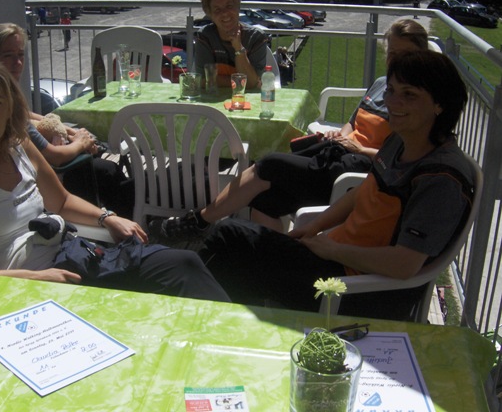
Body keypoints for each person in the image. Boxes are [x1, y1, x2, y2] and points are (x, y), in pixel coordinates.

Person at [0, 55, 230, 303]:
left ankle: (236, 341)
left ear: (9, 108)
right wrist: (34, 278)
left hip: (71, 256)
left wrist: (107, 217)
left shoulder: (18, 146)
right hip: (22, 290)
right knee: (162, 295)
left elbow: (60, 201)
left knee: (184, 265)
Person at [199, 50, 473, 320]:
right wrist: (313, 228)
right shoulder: (400, 141)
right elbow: (361, 194)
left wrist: (333, 250)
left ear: (440, 104)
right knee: (239, 249)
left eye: (409, 94)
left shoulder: (440, 179)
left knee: (228, 238)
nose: (392, 102)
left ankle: (204, 319)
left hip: (357, 292)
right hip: (337, 261)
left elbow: (404, 264)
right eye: (391, 91)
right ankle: (231, 320)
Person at [155, 19, 430, 237]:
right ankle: (278, 255)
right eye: (391, 53)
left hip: (358, 172)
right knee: (263, 201)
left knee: (269, 163)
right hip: (338, 152)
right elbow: (352, 122)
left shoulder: (419, 100)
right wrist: (341, 135)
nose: (395, 60)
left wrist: (360, 148)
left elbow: (406, 159)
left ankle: (199, 221)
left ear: (421, 55)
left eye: (404, 54)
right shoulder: (382, 84)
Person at [0, 23, 134, 218]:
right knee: (106, 171)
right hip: (41, 179)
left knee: (106, 169)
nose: (17, 62)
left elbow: (27, 115)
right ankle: (130, 219)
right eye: (8, 55)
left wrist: (73, 133)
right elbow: (55, 156)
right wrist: (80, 142)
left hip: (38, 169)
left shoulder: (6, 91)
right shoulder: (1, 102)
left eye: (20, 54)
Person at [194, 0, 268, 89]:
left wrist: (239, 49)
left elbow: (252, 84)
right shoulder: (205, 36)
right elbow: (202, 80)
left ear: (238, 7)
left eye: (229, 6)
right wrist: (240, 82)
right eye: (217, 10)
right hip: (213, 96)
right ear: (210, 14)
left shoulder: (256, 37)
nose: (224, 13)